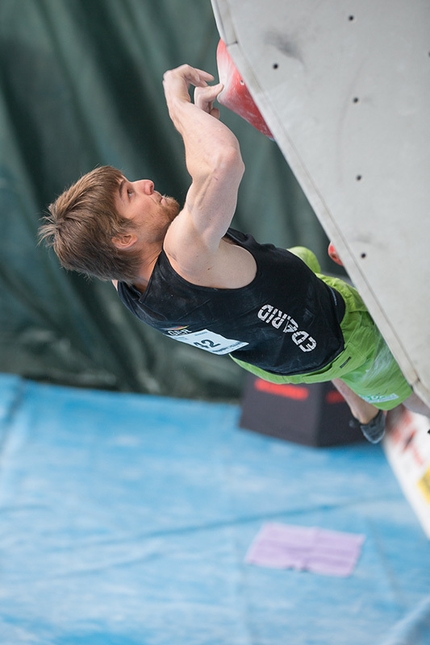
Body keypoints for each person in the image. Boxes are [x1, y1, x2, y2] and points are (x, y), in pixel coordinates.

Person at [39, 64, 430, 443]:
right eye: (129, 193)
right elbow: (222, 162)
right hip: (334, 338)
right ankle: (373, 405)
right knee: (413, 386)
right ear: (123, 239)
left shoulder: (122, 278)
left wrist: (201, 129)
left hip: (269, 354)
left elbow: (202, 183)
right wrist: (178, 103)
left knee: (301, 263)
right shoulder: (184, 253)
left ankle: (362, 406)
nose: (145, 183)